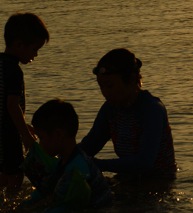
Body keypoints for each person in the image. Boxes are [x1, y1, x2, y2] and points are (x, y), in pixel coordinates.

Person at [79, 49, 176, 181]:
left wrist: (97, 164)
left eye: (110, 86)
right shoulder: (110, 109)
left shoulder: (152, 109)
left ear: (131, 79)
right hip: (128, 180)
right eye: (101, 86)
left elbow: (144, 162)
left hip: (158, 183)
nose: (105, 92)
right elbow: (89, 145)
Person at [25, 98, 112, 210]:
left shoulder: (78, 169)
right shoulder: (61, 163)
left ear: (58, 134)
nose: (40, 145)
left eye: (41, 138)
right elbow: (45, 191)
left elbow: (63, 209)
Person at [1, 12, 49, 197]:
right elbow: (12, 105)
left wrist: (25, 126)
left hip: (3, 133)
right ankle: (12, 206)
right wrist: (25, 137)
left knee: (4, 174)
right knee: (16, 175)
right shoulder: (14, 70)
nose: (35, 55)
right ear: (19, 44)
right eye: (34, 49)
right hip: (8, 137)